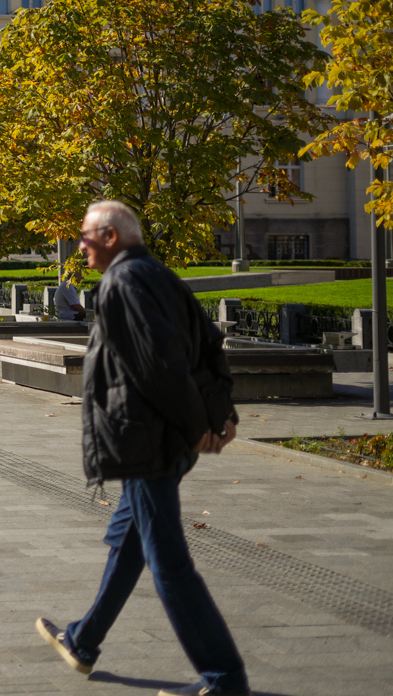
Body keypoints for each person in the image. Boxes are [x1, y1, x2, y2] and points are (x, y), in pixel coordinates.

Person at [35, 201, 246, 696]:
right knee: (129, 541)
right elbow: (208, 344)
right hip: (160, 437)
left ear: (111, 237)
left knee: (170, 564)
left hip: (148, 440)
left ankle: (224, 679)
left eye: (85, 236)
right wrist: (221, 414)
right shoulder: (159, 275)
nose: (79, 244)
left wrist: (203, 425)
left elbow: (161, 366)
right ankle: (83, 641)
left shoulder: (122, 283)